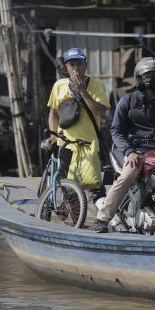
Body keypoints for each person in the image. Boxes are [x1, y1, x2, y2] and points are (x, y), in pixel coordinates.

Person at [94, 57, 155, 232]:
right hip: (137, 152)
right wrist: (129, 151)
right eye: (148, 75)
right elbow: (116, 131)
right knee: (126, 177)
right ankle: (102, 218)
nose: (152, 78)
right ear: (139, 78)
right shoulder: (128, 101)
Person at [46, 47, 109, 204]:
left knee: (93, 184)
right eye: (72, 64)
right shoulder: (59, 86)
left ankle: (103, 216)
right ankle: (76, 223)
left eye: (79, 64)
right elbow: (53, 113)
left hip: (89, 144)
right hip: (66, 143)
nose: (76, 68)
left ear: (85, 64)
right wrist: (53, 136)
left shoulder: (96, 85)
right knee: (68, 187)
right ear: (66, 67)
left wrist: (83, 92)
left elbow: (99, 112)